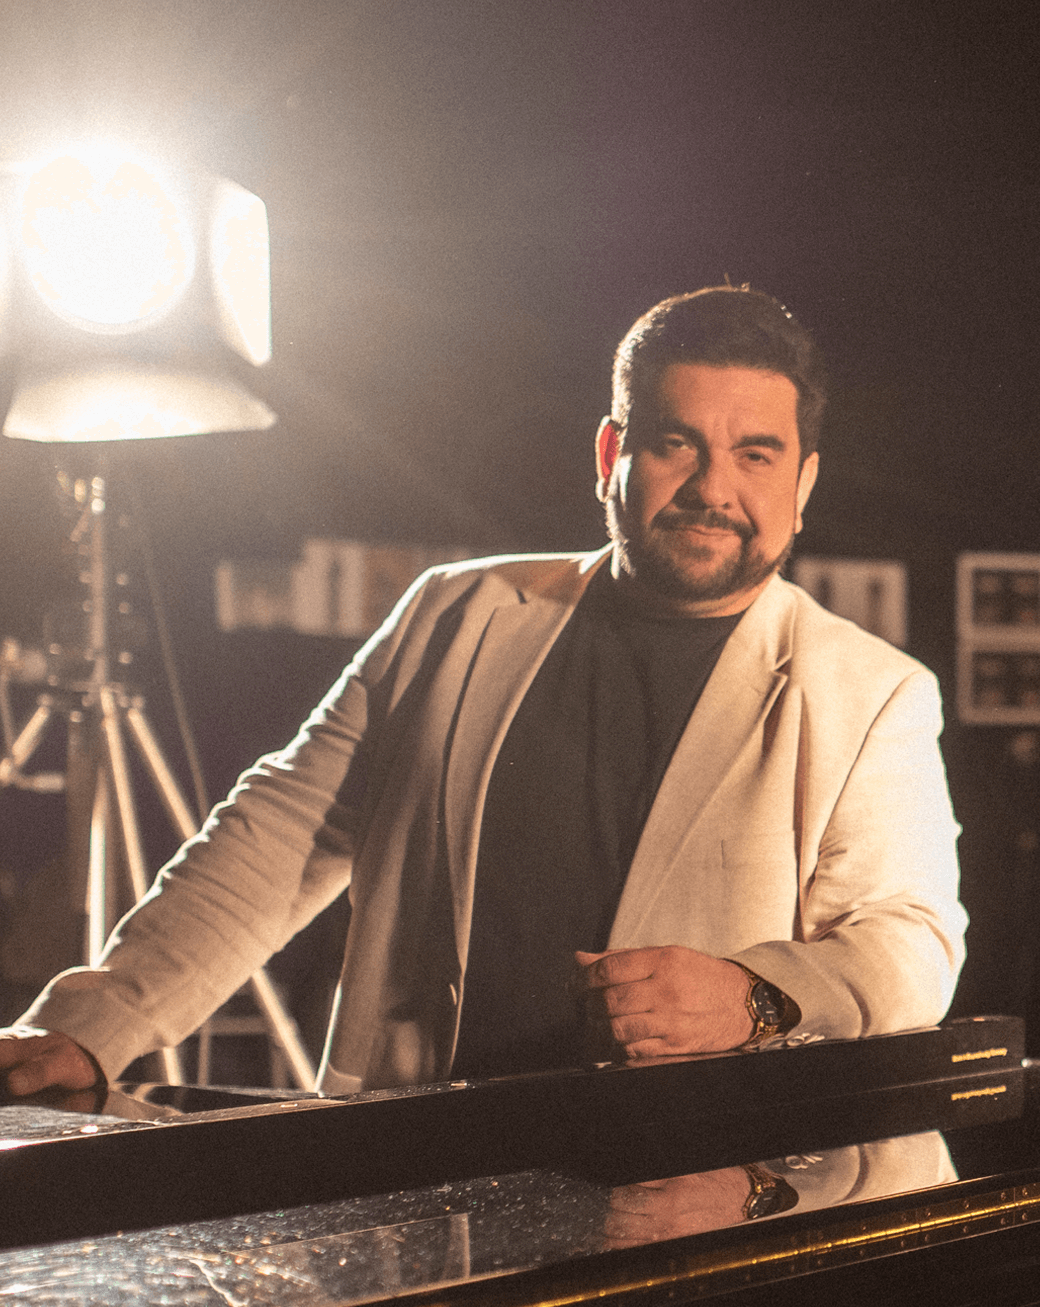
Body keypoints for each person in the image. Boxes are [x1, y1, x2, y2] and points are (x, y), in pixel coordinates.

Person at [0, 286, 966, 1098]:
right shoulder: (452, 614)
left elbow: (911, 947)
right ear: (609, 458)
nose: (715, 486)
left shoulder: (873, 693)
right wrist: (94, 1026)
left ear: (802, 484)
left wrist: (754, 996)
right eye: (677, 444)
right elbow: (274, 840)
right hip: (420, 1176)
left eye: (756, 454)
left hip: (694, 1199)